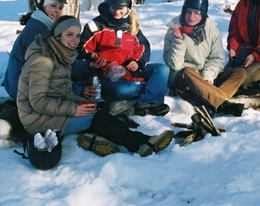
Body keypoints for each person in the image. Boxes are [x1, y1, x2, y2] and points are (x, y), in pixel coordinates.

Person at [17, 15, 174, 157]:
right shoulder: (43, 62)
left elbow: (60, 90)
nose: (75, 39)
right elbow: (38, 102)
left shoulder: (60, 54)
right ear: (57, 35)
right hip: (38, 120)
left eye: (77, 35)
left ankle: (93, 137)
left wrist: (79, 99)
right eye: (69, 34)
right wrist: (74, 109)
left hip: (49, 111)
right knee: (96, 116)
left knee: (99, 106)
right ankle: (140, 143)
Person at [77, 0, 170, 117]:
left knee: (162, 69)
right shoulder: (96, 26)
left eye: (121, 8)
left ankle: (149, 103)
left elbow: (143, 47)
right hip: (107, 77)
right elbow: (81, 49)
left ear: (129, 6)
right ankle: (156, 89)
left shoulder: (131, 26)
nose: (117, 11)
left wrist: (138, 62)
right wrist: (94, 58)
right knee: (123, 90)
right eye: (113, 7)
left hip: (129, 72)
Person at [3, 0, 103, 101]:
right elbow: (53, 72)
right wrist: (78, 91)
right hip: (23, 90)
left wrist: (89, 65)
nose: (57, 11)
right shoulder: (38, 33)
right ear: (41, 4)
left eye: (60, 7)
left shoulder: (46, 26)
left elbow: (64, 63)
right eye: (53, 6)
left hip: (24, 85)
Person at [163, 0, 243, 116]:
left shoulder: (211, 30)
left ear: (203, 14)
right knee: (187, 71)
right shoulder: (173, 30)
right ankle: (221, 103)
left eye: (196, 13)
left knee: (239, 72)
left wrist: (208, 76)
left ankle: (209, 101)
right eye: (188, 12)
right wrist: (178, 42)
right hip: (184, 78)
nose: (191, 16)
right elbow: (175, 66)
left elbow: (217, 58)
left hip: (205, 77)